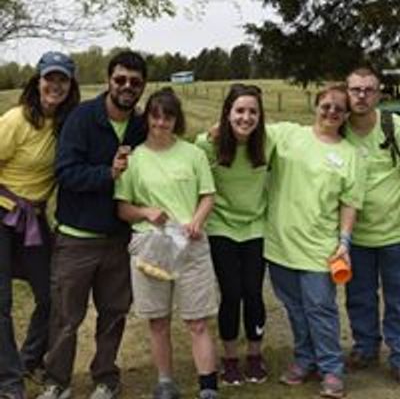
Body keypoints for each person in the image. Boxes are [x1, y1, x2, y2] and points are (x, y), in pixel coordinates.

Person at [36, 50, 147, 399]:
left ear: (142, 87)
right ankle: (57, 381)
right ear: (108, 80)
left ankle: (105, 379)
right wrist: (107, 174)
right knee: (66, 318)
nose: (127, 87)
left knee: (113, 315)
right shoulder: (82, 118)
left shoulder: (141, 125)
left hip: (119, 239)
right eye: (120, 79)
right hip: (76, 238)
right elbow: (65, 172)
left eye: (135, 82)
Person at [115, 88, 219, 399]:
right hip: (151, 248)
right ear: (147, 118)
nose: (161, 123)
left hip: (191, 245)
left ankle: (208, 387)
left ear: (177, 119)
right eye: (155, 116)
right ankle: (165, 383)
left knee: (197, 321)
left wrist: (198, 220)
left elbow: (208, 195)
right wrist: (145, 211)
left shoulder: (194, 154)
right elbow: (122, 208)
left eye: (168, 117)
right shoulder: (133, 160)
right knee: (158, 321)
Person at [265, 84, 364, 398]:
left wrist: (344, 242)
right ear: (316, 106)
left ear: (346, 114)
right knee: (294, 308)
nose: (332, 111)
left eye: (339, 108)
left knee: (321, 309)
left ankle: (331, 369)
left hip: (320, 248)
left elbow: (350, 203)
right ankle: (305, 360)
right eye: (326, 105)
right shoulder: (287, 135)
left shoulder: (350, 154)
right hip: (280, 244)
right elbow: (245, 129)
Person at [0, 51, 79, 399]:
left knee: (50, 296)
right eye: (50, 78)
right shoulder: (16, 120)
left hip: (34, 219)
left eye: (62, 79)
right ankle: (8, 380)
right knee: (0, 303)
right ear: (38, 81)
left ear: (70, 85)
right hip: (2, 215)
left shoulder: (68, 123)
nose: (55, 85)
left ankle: (28, 359)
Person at [195, 84, 268, 385]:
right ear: (227, 113)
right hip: (221, 227)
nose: (246, 117)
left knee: (253, 292)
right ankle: (230, 359)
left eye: (253, 111)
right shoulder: (206, 145)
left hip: (256, 228)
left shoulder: (269, 143)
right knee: (232, 293)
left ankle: (254, 355)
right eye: (239, 110)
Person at [344, 67, 400, 381]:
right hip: (356, 238)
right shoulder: (336, 129)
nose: (362, 95)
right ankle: (365, 348)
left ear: (379, 94)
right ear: (347, 92)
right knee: (359, 297)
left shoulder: (394, 127)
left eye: (368, 89)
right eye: (355, 90)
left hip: (395, 235)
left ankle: (399, 355)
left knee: (399, 299)